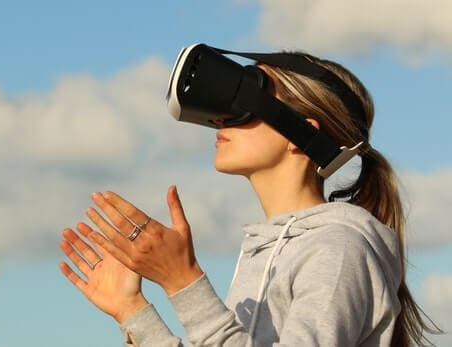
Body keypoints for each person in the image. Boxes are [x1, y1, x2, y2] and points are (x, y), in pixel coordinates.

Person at [58, 49, 441, 346]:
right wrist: (133, 311)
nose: (221, 117)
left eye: (245, 99)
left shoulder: (339, 250)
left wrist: (184, 282)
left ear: (300, 134)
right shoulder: (264, 251)